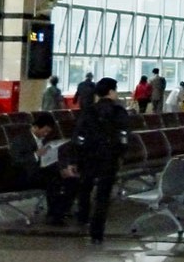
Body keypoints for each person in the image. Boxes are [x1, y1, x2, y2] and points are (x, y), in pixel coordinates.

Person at [72, 77, 128, 244]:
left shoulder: (89, 111)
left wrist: (78, 155)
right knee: (103, 195)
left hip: (89, 155)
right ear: (111, 92)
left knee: (85, 187)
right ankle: (97, 233)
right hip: (109, 157)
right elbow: (124, 136)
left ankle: (83, 216)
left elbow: (79, 135)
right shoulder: (118, 112)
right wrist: (121, 153)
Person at [9, 114, 78, 225]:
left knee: (71, 177)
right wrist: (35, 155)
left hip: (45, 170)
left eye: (48, 132)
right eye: (44, 131)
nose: (46, 134)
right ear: (35, 127)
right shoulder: (21, 140)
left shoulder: (47, 139)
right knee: (53, 179)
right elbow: (16, 160)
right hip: (27, 174)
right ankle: (54, 216)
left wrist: (64, 167)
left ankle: (63, 209)